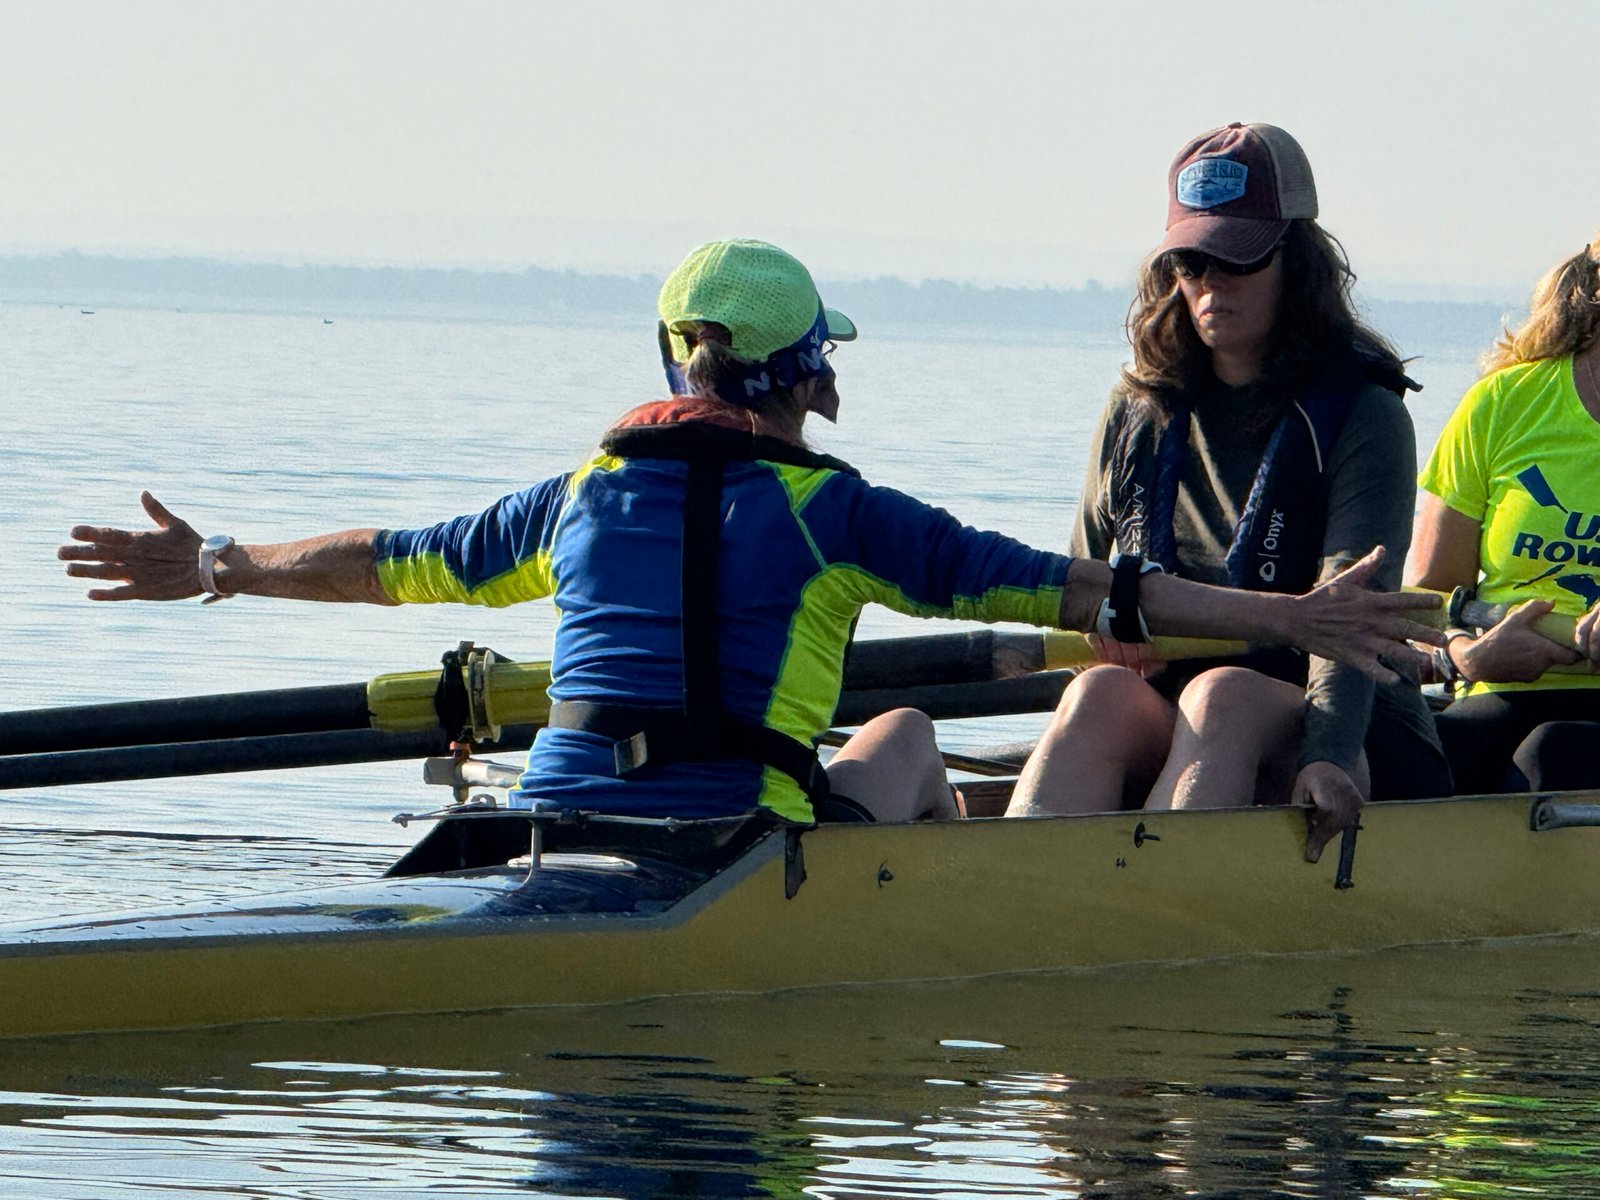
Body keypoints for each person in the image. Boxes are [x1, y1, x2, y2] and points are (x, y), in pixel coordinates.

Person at [59, 238, 1441, 829]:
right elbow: (1096, 594)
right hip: (734, 840)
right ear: (809, 380)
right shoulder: (840, 515)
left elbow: (388, 563)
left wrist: (228, 564)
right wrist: (1288, 621)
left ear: (676, 367)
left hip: (561, 820)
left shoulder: (576, 498)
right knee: (895, 739)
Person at [1008, 123, 1452, 859]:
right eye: (1191, 261)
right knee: (1098, 696)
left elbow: (1353, 616)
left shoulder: (1365, 415)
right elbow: (1083, 587)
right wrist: (1107, 641)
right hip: (1184, 716)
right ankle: (1015, 901)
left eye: (1237, 260)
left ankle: (1163, 897)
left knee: (1226, 695)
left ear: (1297, 262)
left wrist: (1332, 754)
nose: (1210, 284)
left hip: (1350, 721)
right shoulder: (1136, 410)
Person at [1408, 233, 1600, 794]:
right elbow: (1426, 601)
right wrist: (1464, 656)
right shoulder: (1502, 404)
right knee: (1418, 755)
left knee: (1553, 755)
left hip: (1565, 741)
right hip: (1499, 686)